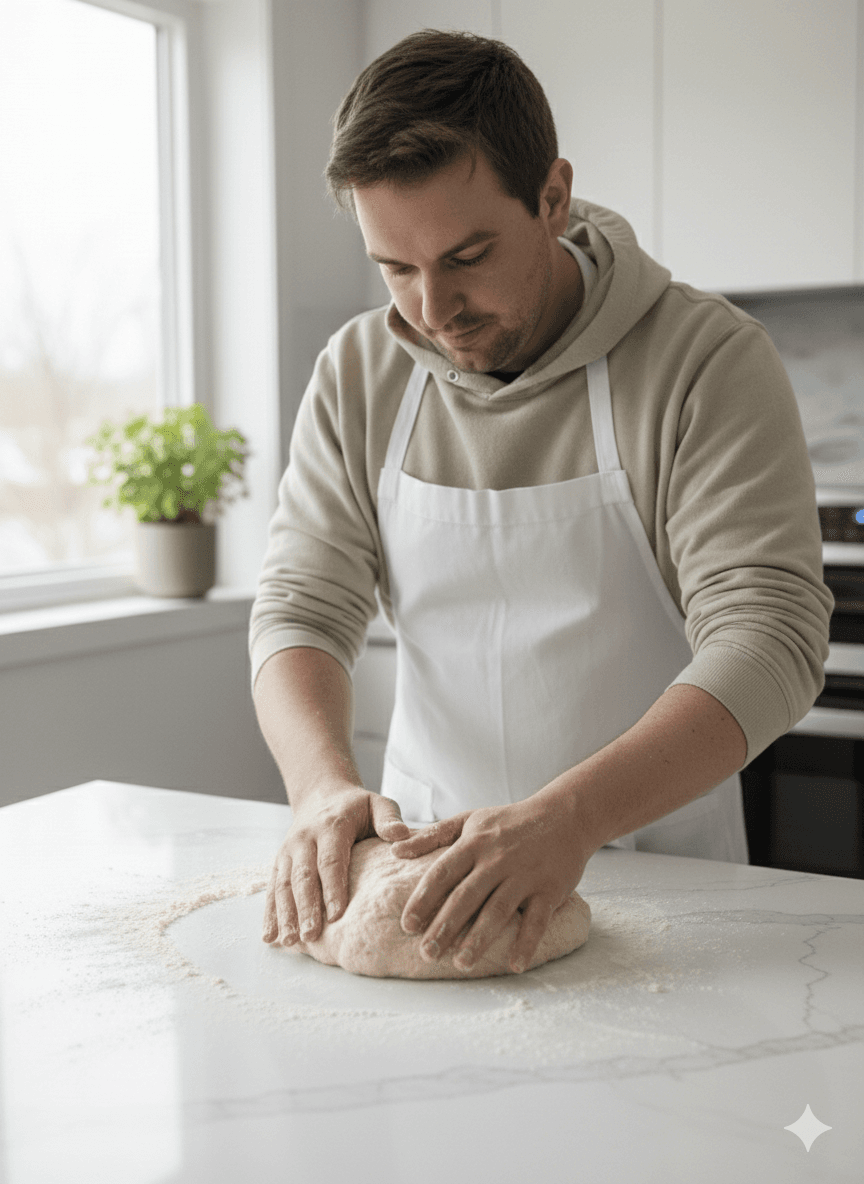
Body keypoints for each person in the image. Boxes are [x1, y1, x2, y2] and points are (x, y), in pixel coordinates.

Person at [250, 30, 832, 975]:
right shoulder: (360, 371)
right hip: (420, 875)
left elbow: (771, 638)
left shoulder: (703, 360)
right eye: (395, 267)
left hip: (665, 884)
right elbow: (300, 606)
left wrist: (568, 821)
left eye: (467, 256)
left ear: (553, 198)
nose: (432, 310)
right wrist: (320, 788)